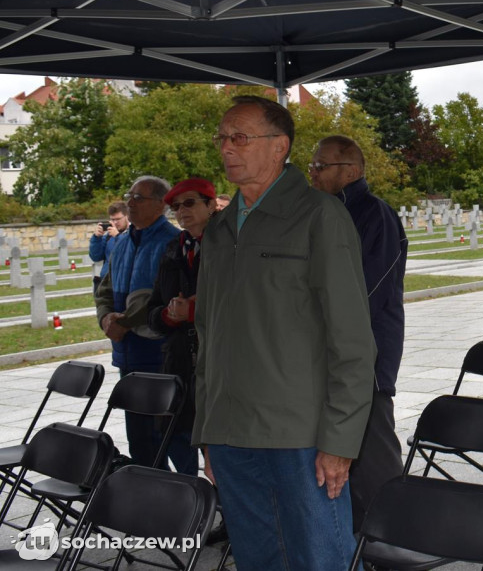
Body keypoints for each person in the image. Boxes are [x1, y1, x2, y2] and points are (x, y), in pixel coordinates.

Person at [194, 95, 376, 571]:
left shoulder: (319, 216)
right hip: (232, 434)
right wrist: (208, 431)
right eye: (223, 138)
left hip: (302, 436)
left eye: (240, 137)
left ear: (280, 147)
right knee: (258, 561)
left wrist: (340, 440)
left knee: (321, 560)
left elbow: (352, 340)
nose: (228, 148)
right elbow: (207, 338)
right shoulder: (218, 231)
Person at [309, 135, 407, 531]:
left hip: (367, 358)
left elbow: (365, 292)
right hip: (327, 357)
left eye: (321, 166)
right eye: (312, 165)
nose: (312, 173)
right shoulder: (323, 212)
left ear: (350, 171)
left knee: (373, 457)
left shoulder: (374, 215)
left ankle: (398, 538)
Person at [95, 176, 181, 468]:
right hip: (127, 356)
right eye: (129, 195)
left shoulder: (172, 241)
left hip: (159, 355)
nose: (130, 203)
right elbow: (104, 288)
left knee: (169, 437)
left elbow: (164, 294)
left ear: (160, 204)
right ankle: (150, 500)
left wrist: (126, 322)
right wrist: (106, 317)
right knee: (139, 440)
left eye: (138, 198)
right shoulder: (120, 243)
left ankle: (183, 502)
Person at [145, 177, 219, 478]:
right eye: (176, 206)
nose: (181, 211)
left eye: (189, 203)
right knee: (174, 435)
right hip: (179, 362)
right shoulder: (173, 249)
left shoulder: (229, 245)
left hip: (217, 363)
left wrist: (195, 311)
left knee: (218, 451)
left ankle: (229, 517)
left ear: (211, 204)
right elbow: (152, 311)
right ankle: (195, 501)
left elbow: (243, 303)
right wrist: (168, 316)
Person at [88, 201, 128, 291]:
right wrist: (96, 238)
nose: (115, 223)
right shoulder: (108, 236)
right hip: (107, 284)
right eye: (112, 220)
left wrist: (118, 236)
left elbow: (128, 252)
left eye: (118, 219)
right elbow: (96, 257)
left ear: (127, 216)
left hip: (124, 284)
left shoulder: (134, 234)